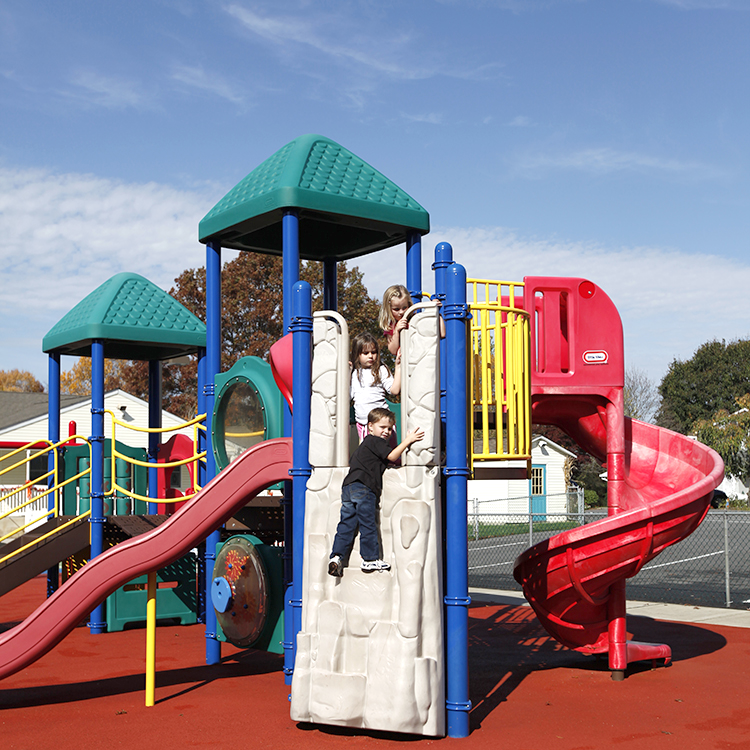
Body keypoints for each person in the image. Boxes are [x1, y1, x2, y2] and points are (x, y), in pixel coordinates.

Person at [328, 407, 424, 576]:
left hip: (348, 487)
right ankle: (370, 559)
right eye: (383, 427)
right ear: (370, 426)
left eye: (389, 428)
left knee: (346, 525)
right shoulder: (375, 441)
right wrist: (408, 440)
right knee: (368, 523)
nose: (386, 431)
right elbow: (392, 457)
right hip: (364, 487)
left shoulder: (365, 445)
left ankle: (336, 557)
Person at [350, 331, 401, 444]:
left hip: (383, 422)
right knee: (369, 455)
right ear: (357, 354)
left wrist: (398, 367)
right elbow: (347, 396)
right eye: (365, 353)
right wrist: (347, 373)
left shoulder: (380, 369)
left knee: (388, 453)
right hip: (365, 423)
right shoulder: (354, 373)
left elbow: (394, 390)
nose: (370, 356)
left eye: (373, 352)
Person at [379, 284, 413, 357]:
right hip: (404, 361)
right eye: (396, 309)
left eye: (404, 308)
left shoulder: (414, 319)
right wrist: (396, 331)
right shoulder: (391, 326)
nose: (401, 312)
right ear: (389, 309)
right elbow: (393, 350)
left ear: (409, 305)